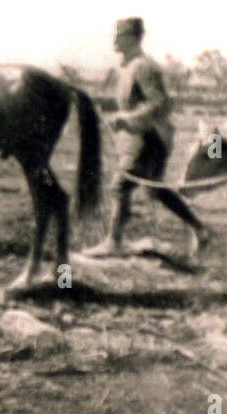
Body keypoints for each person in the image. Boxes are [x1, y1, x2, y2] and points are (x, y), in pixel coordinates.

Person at [83, 17, 211, 257]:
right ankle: (201, 230)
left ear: (131, 38)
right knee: (154, 189)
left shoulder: (143, 67)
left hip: (151, 136)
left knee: (121, 185)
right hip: (141, 135)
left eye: (119, 36)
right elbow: (132, 102)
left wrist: (126, 118)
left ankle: (114, 242)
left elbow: (161, 103)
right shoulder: (127, 68)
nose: (114, 41)